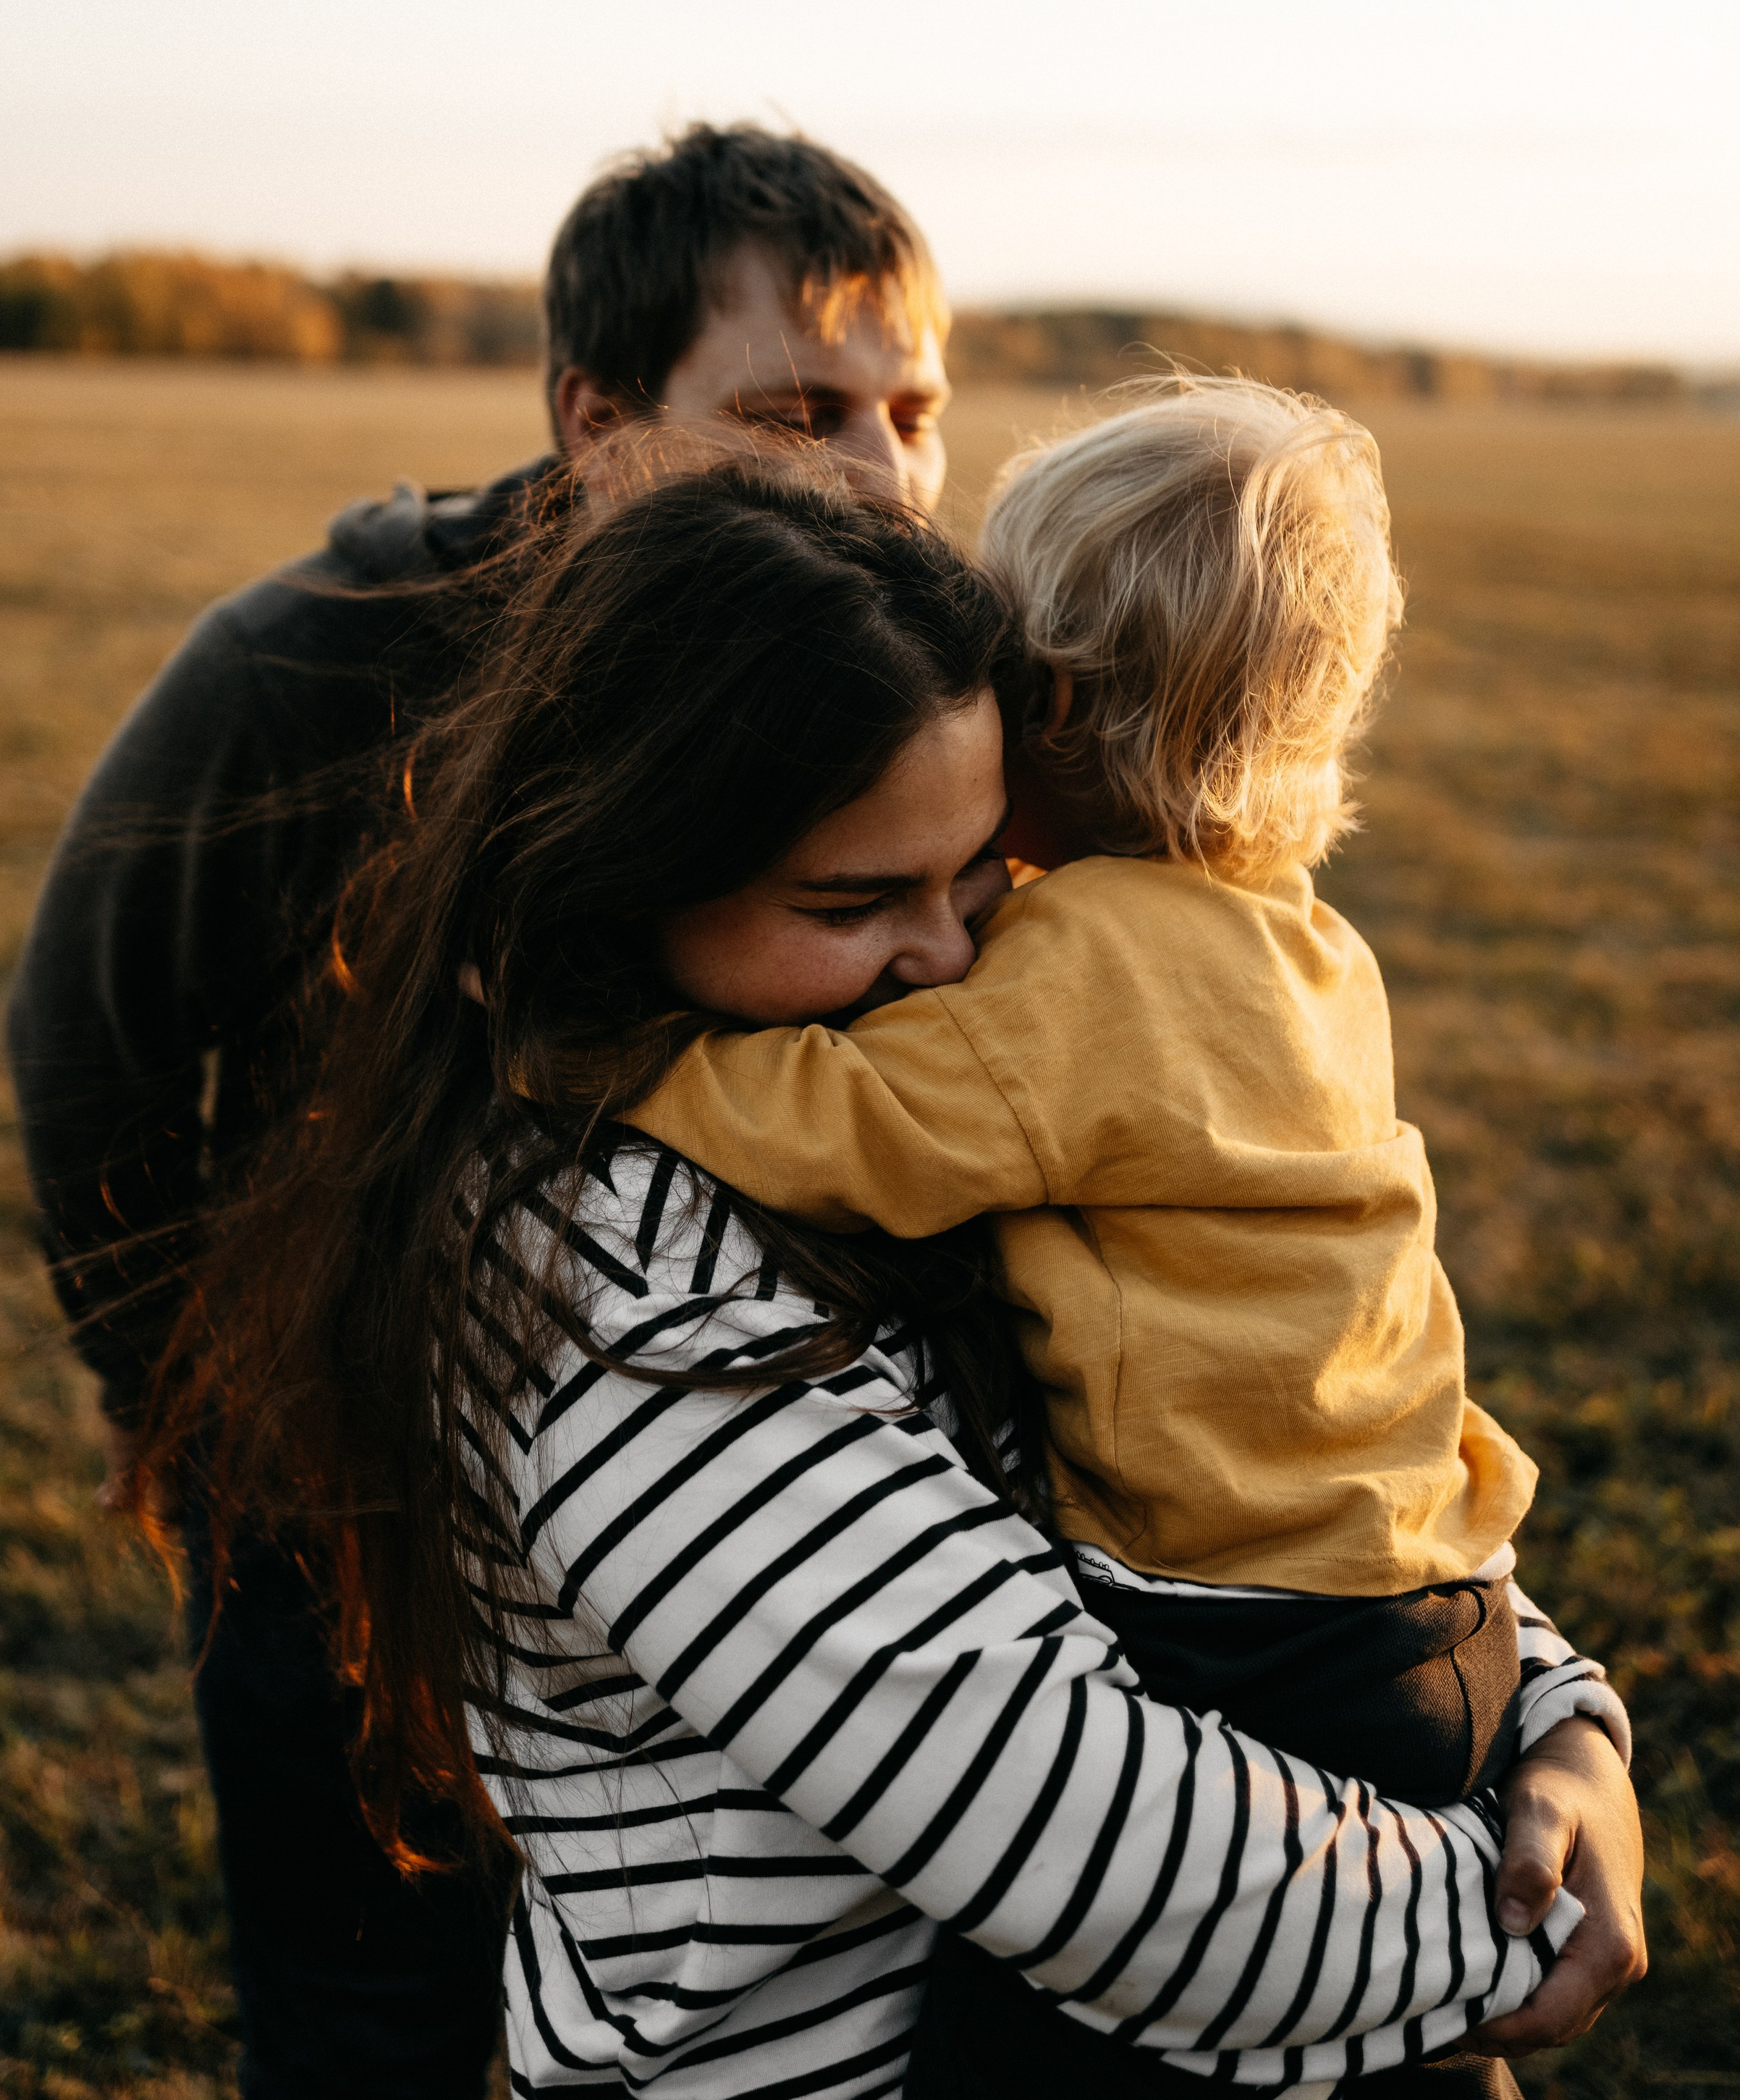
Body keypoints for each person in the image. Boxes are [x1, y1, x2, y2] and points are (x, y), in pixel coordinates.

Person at [136, 456, 1644, 2097]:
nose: (948, 956)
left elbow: (1279, 1412)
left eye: (981, 874)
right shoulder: (609, 1289)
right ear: (620, 863)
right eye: (854, 901)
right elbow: (1111, 1860)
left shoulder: (929, 1085)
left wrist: (1556, 1712)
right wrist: (1513, 1897)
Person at [5, 124, 954, 2100]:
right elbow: (86, 1039)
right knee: (374, 1994)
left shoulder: (887, 676)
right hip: (345, 1491)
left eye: (913, 409)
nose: (882, 475)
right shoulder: (302, 665)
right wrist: (203, 1414)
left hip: (719, 1475)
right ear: (597, 420)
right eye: (796, 415)